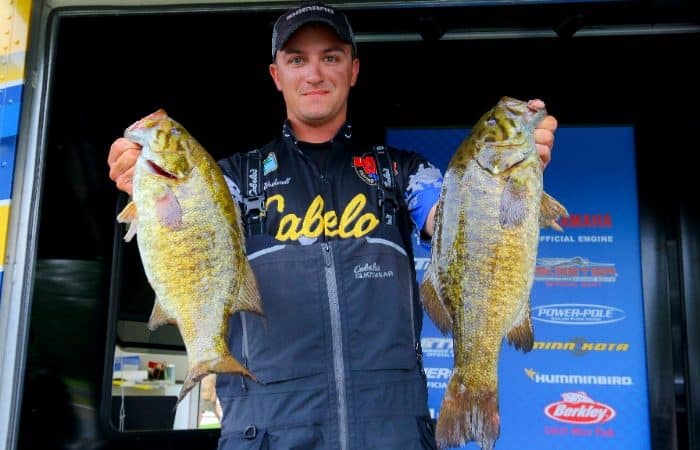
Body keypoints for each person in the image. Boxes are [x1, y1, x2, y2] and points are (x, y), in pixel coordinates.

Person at [107, 2, 558, 449]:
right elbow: (184, 236)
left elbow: (454, 221)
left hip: (392, 431)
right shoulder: (230, 180)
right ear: (276, 75)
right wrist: (143, 183)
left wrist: (505, 178)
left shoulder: (403, 172)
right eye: (297, 60)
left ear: (353, 70)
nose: (315, 73)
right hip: (267, 431)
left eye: (331, 57)